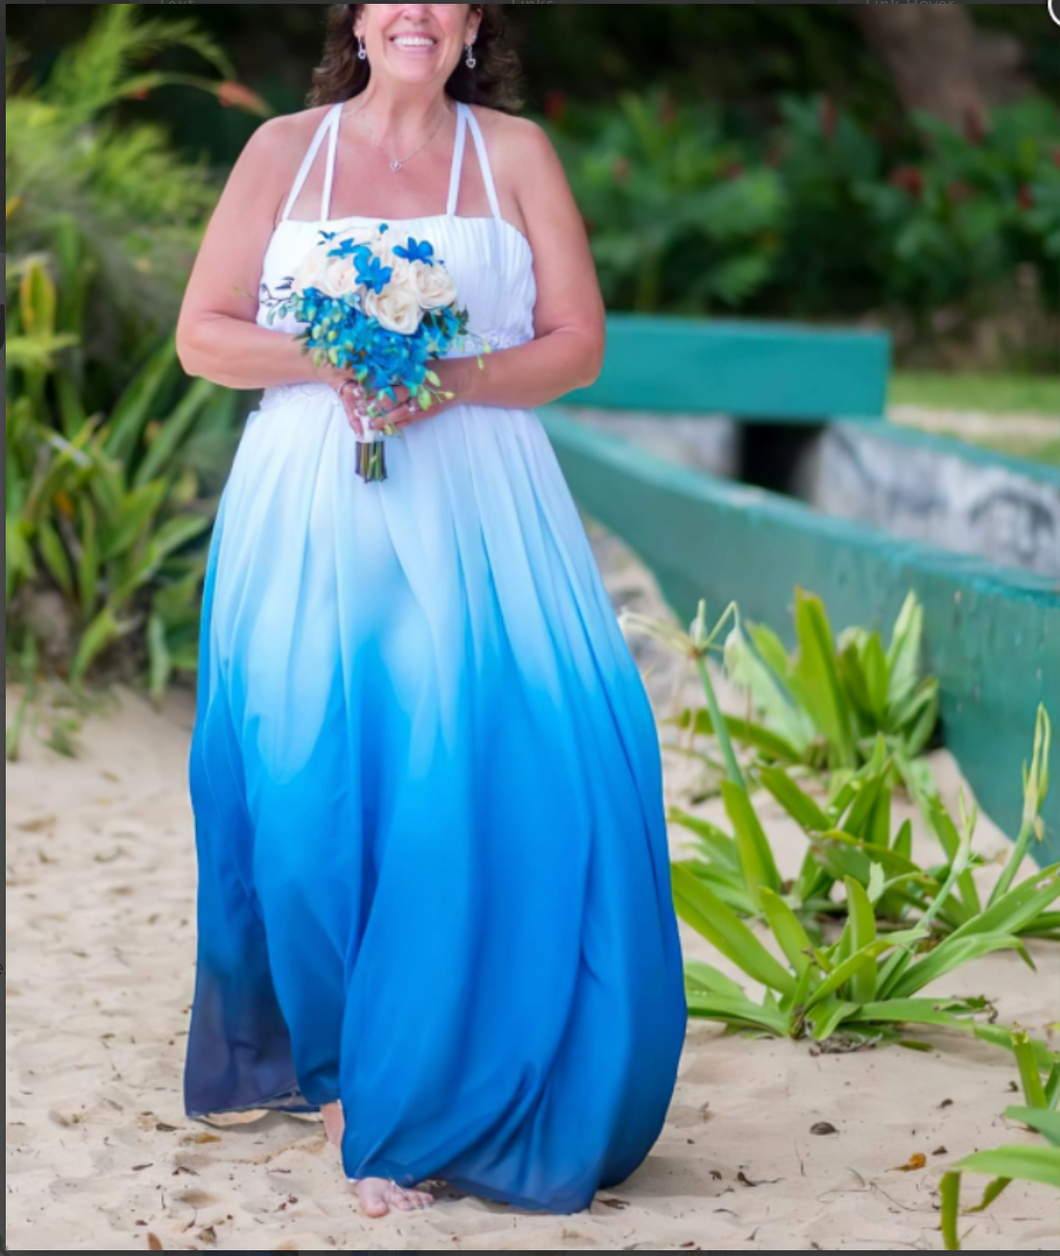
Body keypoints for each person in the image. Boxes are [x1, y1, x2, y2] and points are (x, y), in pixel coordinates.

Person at [175, 2, 686, 1220]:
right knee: (304, 789)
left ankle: (427, 1082)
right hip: (304, 504)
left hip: (481, 506)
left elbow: (576, 346)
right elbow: (204, 335)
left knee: (464, 778)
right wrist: (337, 352)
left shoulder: (515, 154)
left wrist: (441, 375)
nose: (416, 12)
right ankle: (344, 1073)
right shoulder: (278, 152)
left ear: (470, 24)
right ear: (355, 18)